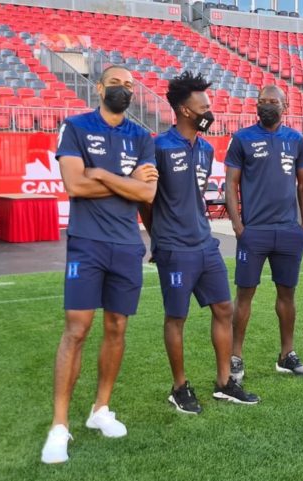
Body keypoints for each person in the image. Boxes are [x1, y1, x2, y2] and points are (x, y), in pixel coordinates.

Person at [41, 65, 159, 464]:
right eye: (116, 84)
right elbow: (75, 184)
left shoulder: (142, 136)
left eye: (129, 86)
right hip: (87, 244)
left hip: (127, 245)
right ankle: (59, 426)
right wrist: (126, 180)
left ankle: (100, 410)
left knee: (117, 326)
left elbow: (147, 192)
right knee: (77, 328)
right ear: (99, 87)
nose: (123, 90)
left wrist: (105, 174)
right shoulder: (75, 127)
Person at [142, 71, 260, 415]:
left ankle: (225, 383)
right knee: (176, 317)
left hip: (205, 245)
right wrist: (158, 237)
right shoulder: (158, 146)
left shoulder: (206, 149)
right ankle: (179, 388)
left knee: (224, 308)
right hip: (174, 248)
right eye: (204, 106)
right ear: (185, 110)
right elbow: (144, 201)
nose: (210, 111)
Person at [224, 85, 303, 382]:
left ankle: (287, 355)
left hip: (288, 231)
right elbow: (230, 184)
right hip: (255, 232)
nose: (266, 106)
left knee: (287, 295)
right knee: (245, 295)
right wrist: (238, 225)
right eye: (262, 101)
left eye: (272, 102)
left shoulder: (295, 140)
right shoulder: (242, 138)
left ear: (285, 106)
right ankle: (235, 357)